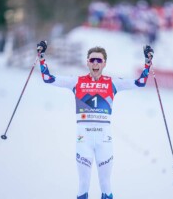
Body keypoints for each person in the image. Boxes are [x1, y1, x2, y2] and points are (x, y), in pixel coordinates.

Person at [36, 41, 154, 199]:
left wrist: (147, 63)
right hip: (83, 140)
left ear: (104, 63)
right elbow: (48, 79)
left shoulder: (113, 83)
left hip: (104, 140)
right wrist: (42, 57)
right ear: (87, 62)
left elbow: (140, 83)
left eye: (99, 60)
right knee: (83, 183)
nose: (95, 63)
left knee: (105, 183)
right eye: (92, 60)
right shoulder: (76, 81)